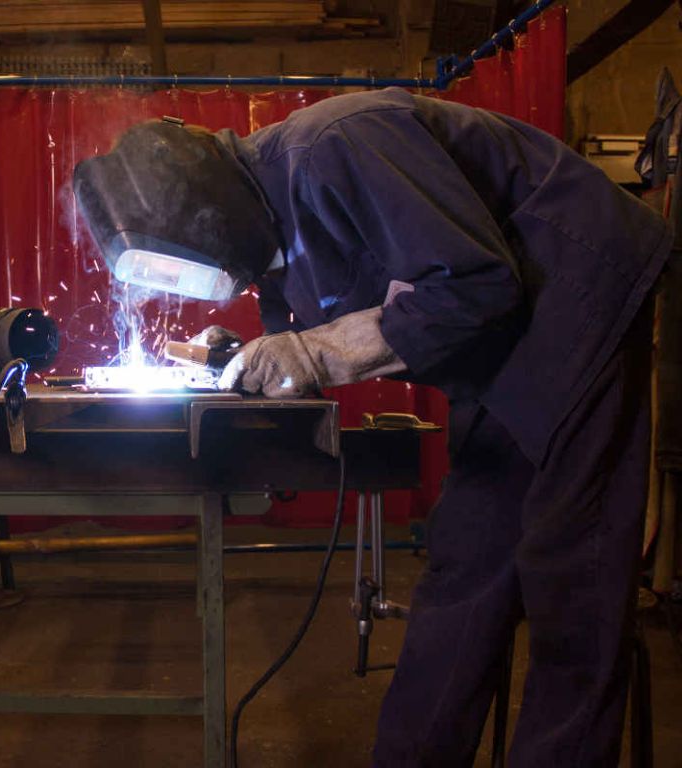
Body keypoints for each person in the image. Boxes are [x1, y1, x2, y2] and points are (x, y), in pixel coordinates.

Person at [73, 87, 673, 766]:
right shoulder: (270, 222)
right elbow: (305, 326)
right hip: (504, 345)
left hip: (579, 288)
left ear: (213, 210)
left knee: (572, 568)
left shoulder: (342, 144)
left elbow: (472, 284)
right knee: (466, 565)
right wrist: (243, 358)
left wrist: (310, 353)